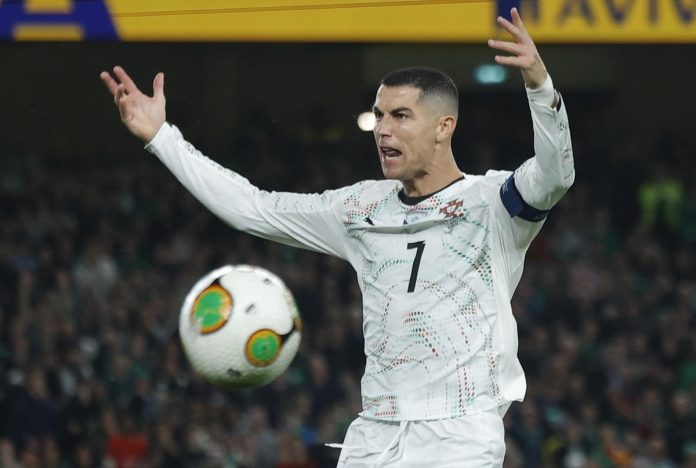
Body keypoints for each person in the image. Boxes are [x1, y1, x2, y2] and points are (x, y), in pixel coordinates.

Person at [100, 8, 574, 467]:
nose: (383, 130)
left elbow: (555, 175)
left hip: (458, 436)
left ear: (443, 127)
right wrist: (162, 137)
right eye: (379, 115)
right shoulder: (360, 208)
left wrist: (540, 87)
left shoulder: (493, 204)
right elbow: (253, 208)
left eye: (401, 116)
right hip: (374, 435)